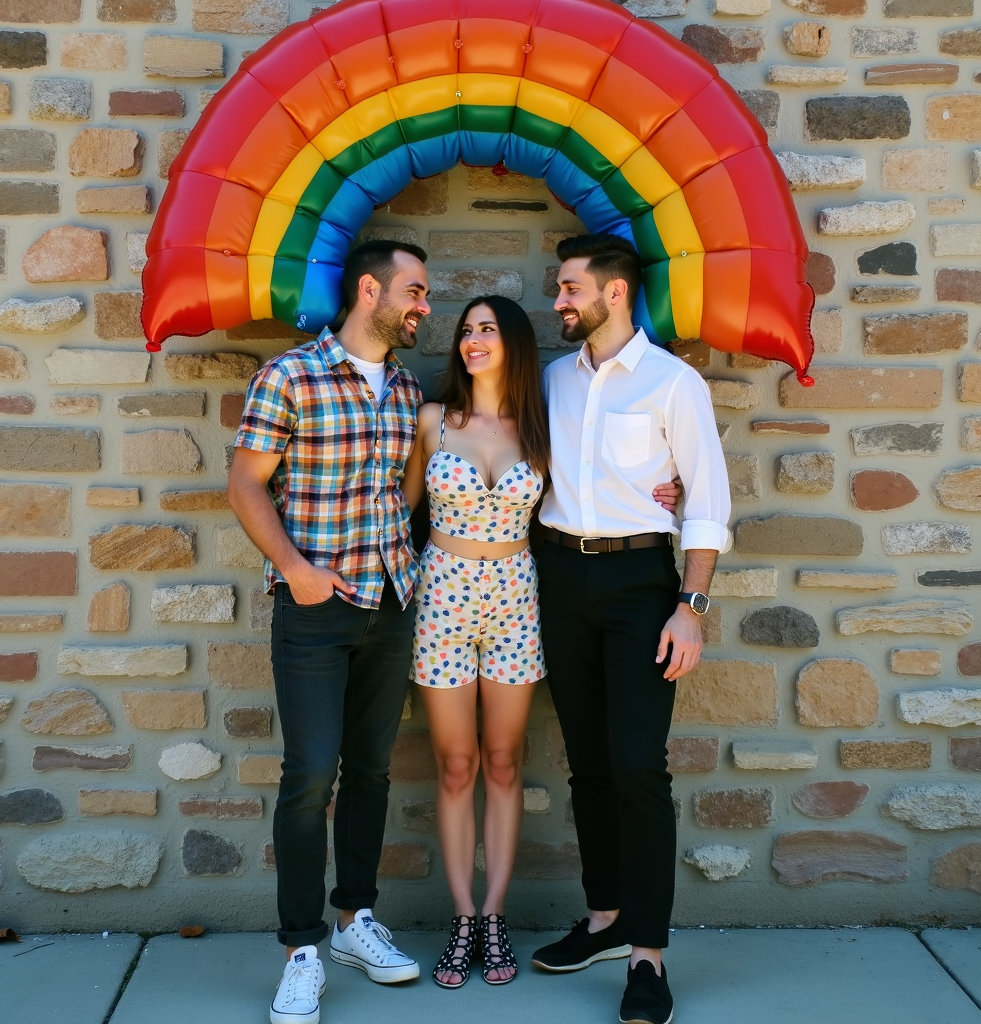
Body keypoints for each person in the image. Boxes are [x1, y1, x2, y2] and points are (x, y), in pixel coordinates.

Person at [401, 296, 682, 991]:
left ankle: (494, 913)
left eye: (487, 330)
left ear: (514, 344)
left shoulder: (542, 429)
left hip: (517, 604)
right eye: (466, 331)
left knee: (503, 762)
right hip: (443, 599)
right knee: (456, 763)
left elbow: (599, 487)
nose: (472, 341)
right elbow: (399, 510)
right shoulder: (433, 422)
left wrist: (662, 493)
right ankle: (462, 916)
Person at [227, 239, 432, 1024]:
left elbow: (406, 488)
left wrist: (402, 563)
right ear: (369, 289)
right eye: (413, 291)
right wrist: (296, 568)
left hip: (390, 602)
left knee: (372, 770)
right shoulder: (290, 375)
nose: (422, 307)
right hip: (313, 608)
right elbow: (246, 483)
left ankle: (355, 922)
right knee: (311, 775)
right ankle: (302, 949)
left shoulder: (410, 388)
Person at [530, 234, 732, 1024]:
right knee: (587, 766)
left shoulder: (673, 383)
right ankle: (606, 920)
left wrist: (693, 606)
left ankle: (648, 957)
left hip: (640, 584)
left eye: (570, 288)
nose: (559, 302)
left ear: (614, 293)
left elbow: (706, 502)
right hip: (560, 577)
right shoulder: (552, 379)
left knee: (639, 768)